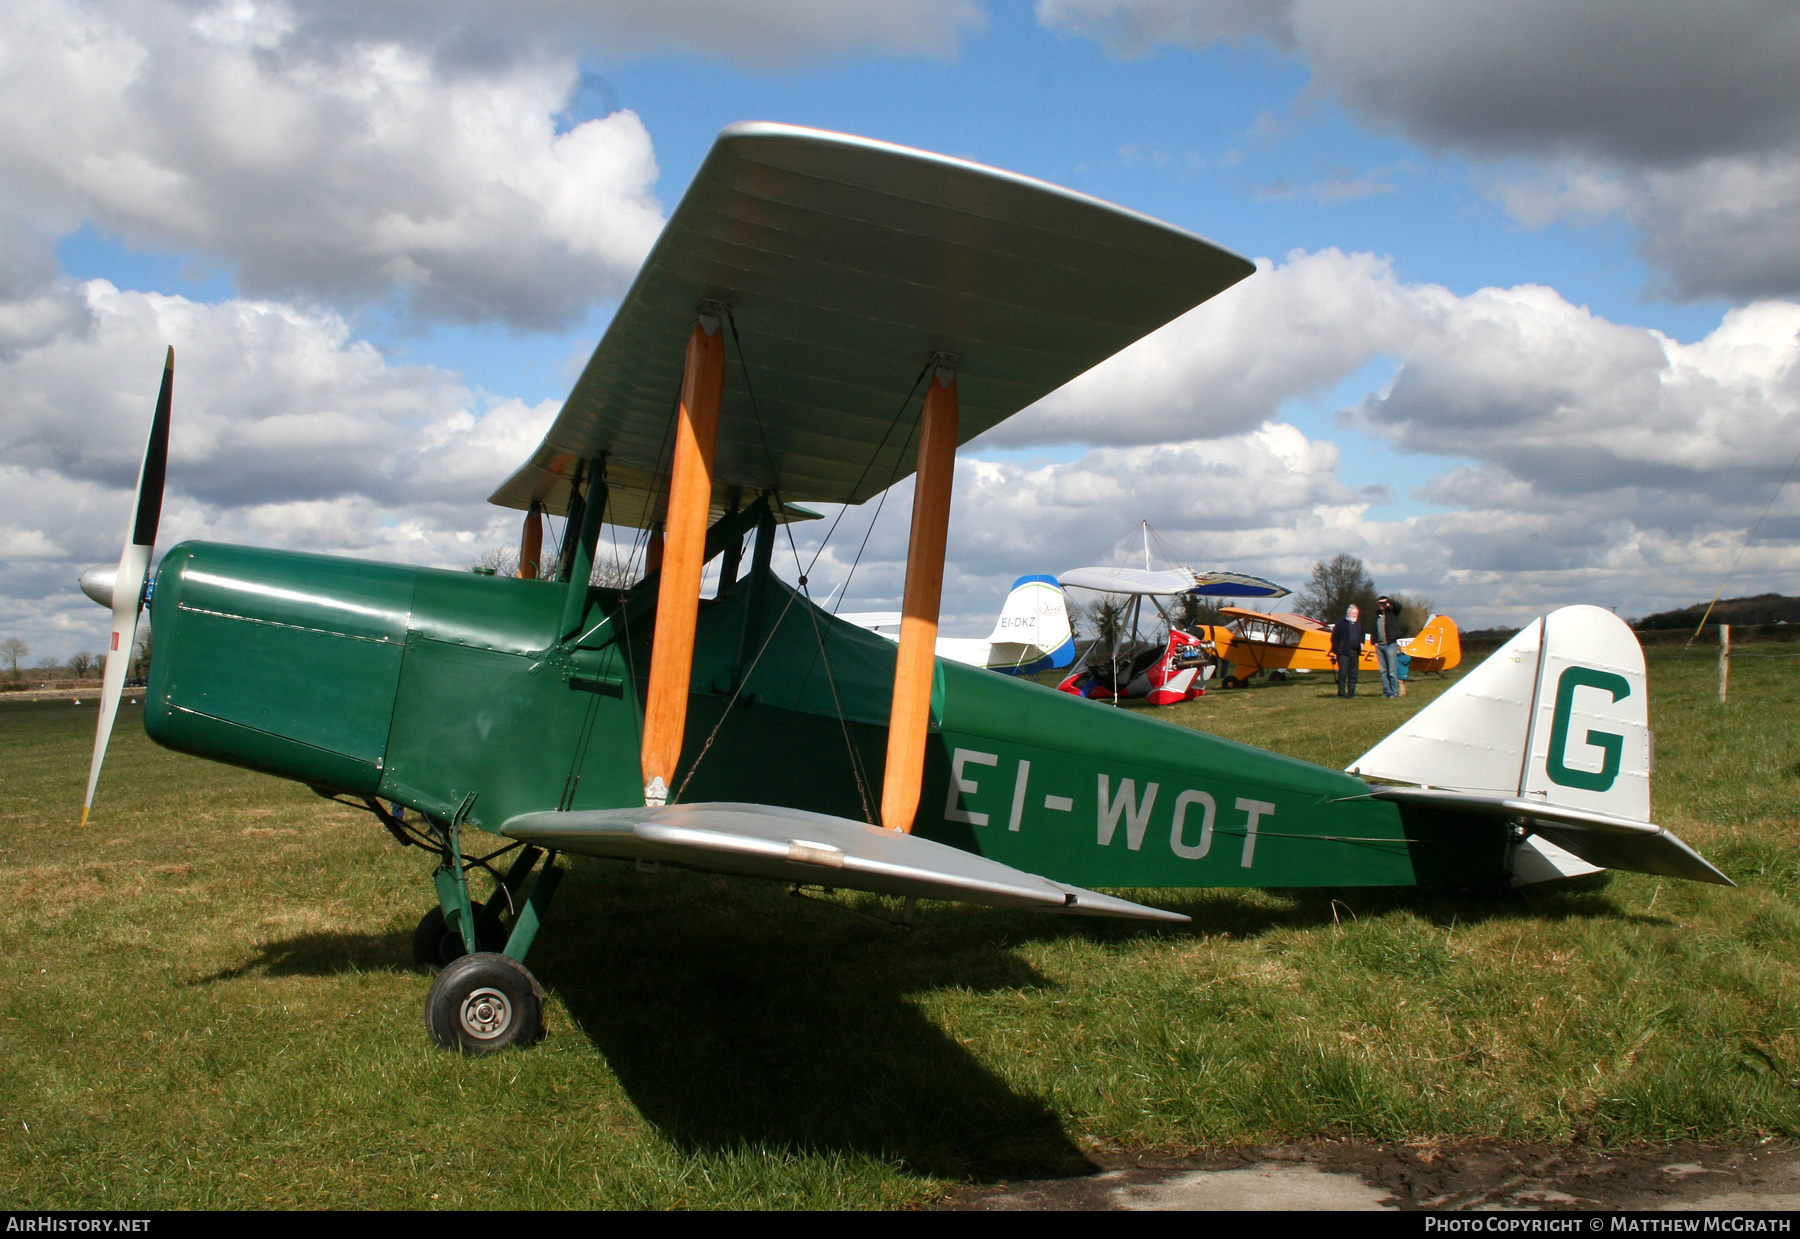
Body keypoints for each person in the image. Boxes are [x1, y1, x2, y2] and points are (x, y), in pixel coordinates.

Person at [1372, 595, 1404, 698]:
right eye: (1380, 603)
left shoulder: (1392, 613)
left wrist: (1389, 601)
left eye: (1383, 603)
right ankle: (1386, 691)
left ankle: (1393, 692)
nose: (1381, 605)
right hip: (1380, 646)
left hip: (1390, 644)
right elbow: (1374, 629)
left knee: (1392, 671)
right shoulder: (1377, 615)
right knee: (1383, 671)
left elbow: (1399, 606)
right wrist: (1375, 641)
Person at [1330, 604, 1364, 698]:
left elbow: (1362, 634)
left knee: (1353, 674)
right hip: (1343, 652)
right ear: (1348, 613)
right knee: (1343, 673)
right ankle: (1341, 693)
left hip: (1355, 651)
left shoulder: (1358, 623)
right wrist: (1335, 651)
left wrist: (1361, 643)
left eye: (1356, 614)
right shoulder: (1341, 622)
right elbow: (1334, 637)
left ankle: (1351, 693)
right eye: (1353, 613)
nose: (1355, 615)